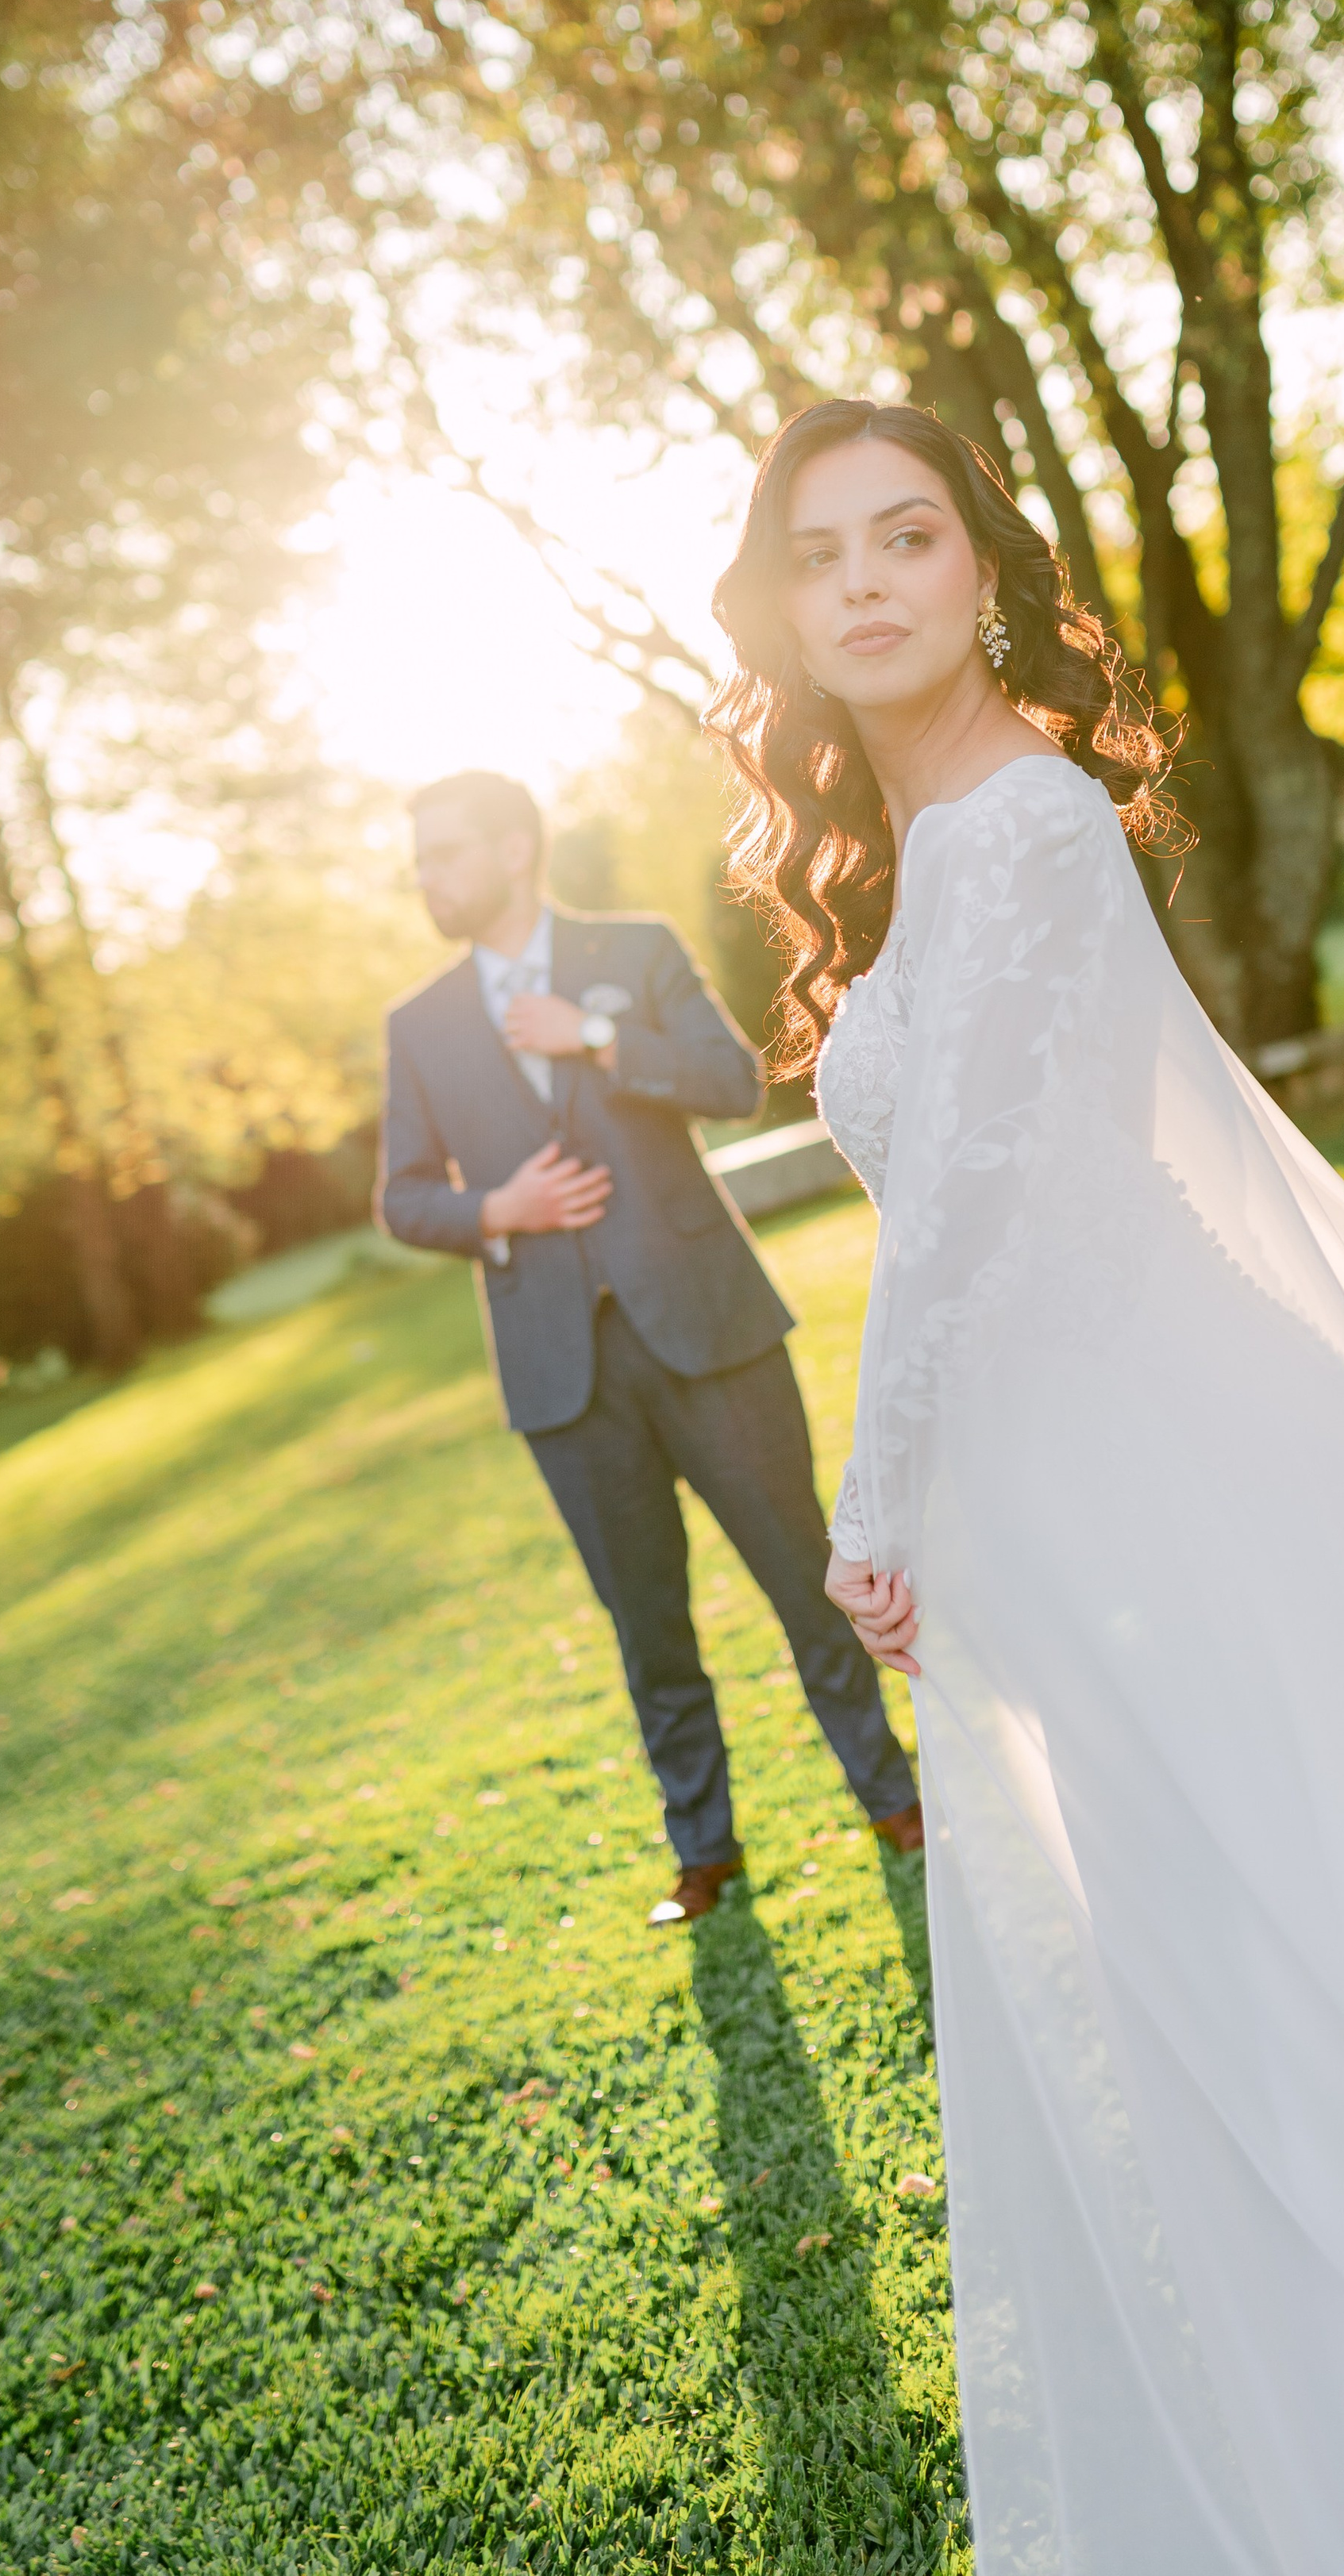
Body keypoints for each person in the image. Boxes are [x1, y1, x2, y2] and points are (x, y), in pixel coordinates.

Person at [708, 398, 1344, 2574]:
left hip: (1191, 1483)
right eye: (820, 555)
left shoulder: (1021, 824)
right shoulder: (924, 854)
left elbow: (967, 1202)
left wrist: (870, 1505)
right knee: (1237, 2011)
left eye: (908, 535)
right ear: (782, 614)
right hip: (1080, 1510)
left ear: (983, 570)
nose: (869, 583)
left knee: (1337, 2000)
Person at [376, 768, 922, 1927]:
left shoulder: (634, 949)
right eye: (420, 861)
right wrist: (497, 1210)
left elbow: (734, 1080)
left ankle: (891, 1796)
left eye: (446, 853)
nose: (429, 878)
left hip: (708, 1328)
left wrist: (597, 1034)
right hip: (562, 1374)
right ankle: (704, 1851)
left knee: (803, 1575)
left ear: (515, 849)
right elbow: (403, 1197)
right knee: (647, 1626)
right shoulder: (417, 1027)